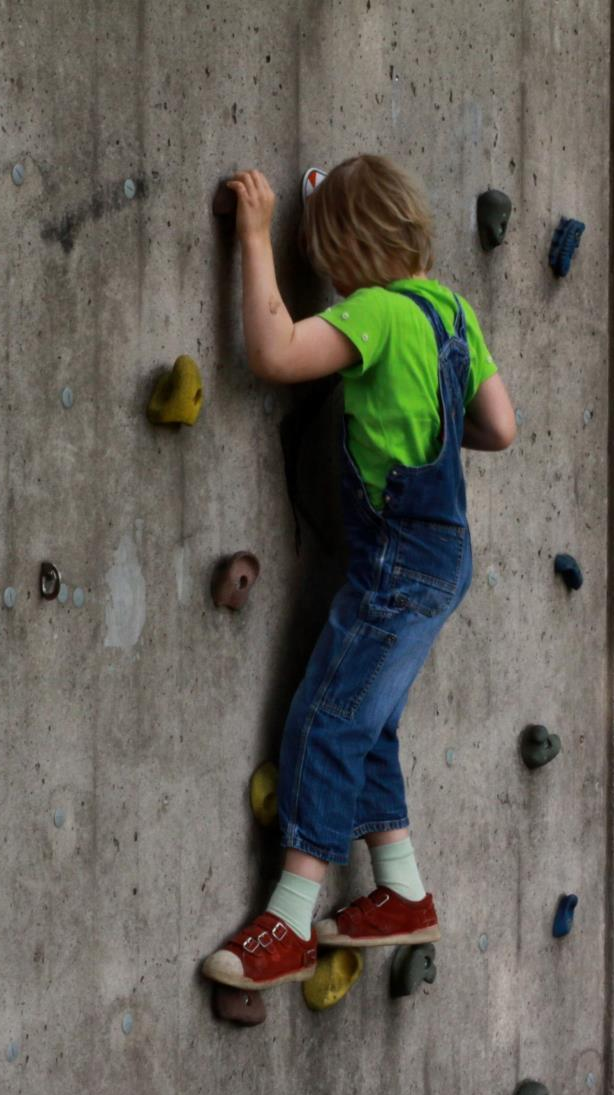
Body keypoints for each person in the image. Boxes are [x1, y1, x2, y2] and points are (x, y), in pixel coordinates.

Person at [203, 156, 517, 991]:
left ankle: (293, 917)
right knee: (370, 716)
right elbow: (501, 427)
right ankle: (401, 892)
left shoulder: (374, 315)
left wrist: (256, 234)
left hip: (393, 561)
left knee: (326, 718)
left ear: (340, 250)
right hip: (444, 553)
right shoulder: (453, 310)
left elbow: (272, 351)